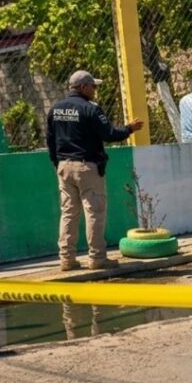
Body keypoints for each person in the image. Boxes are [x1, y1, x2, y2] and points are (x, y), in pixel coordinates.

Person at [47, 70, 144, 272]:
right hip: (87, 166)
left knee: (68, 213)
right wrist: (129, 128)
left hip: (64, 166)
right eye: (93, 86)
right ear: (83, 87)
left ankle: (66, 259)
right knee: (94, 212)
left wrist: (57, 163)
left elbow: (50, 139)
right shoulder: (91, 109)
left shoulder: (55, 109)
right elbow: (109, 134)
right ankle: (97, 258)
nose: (95, 90)